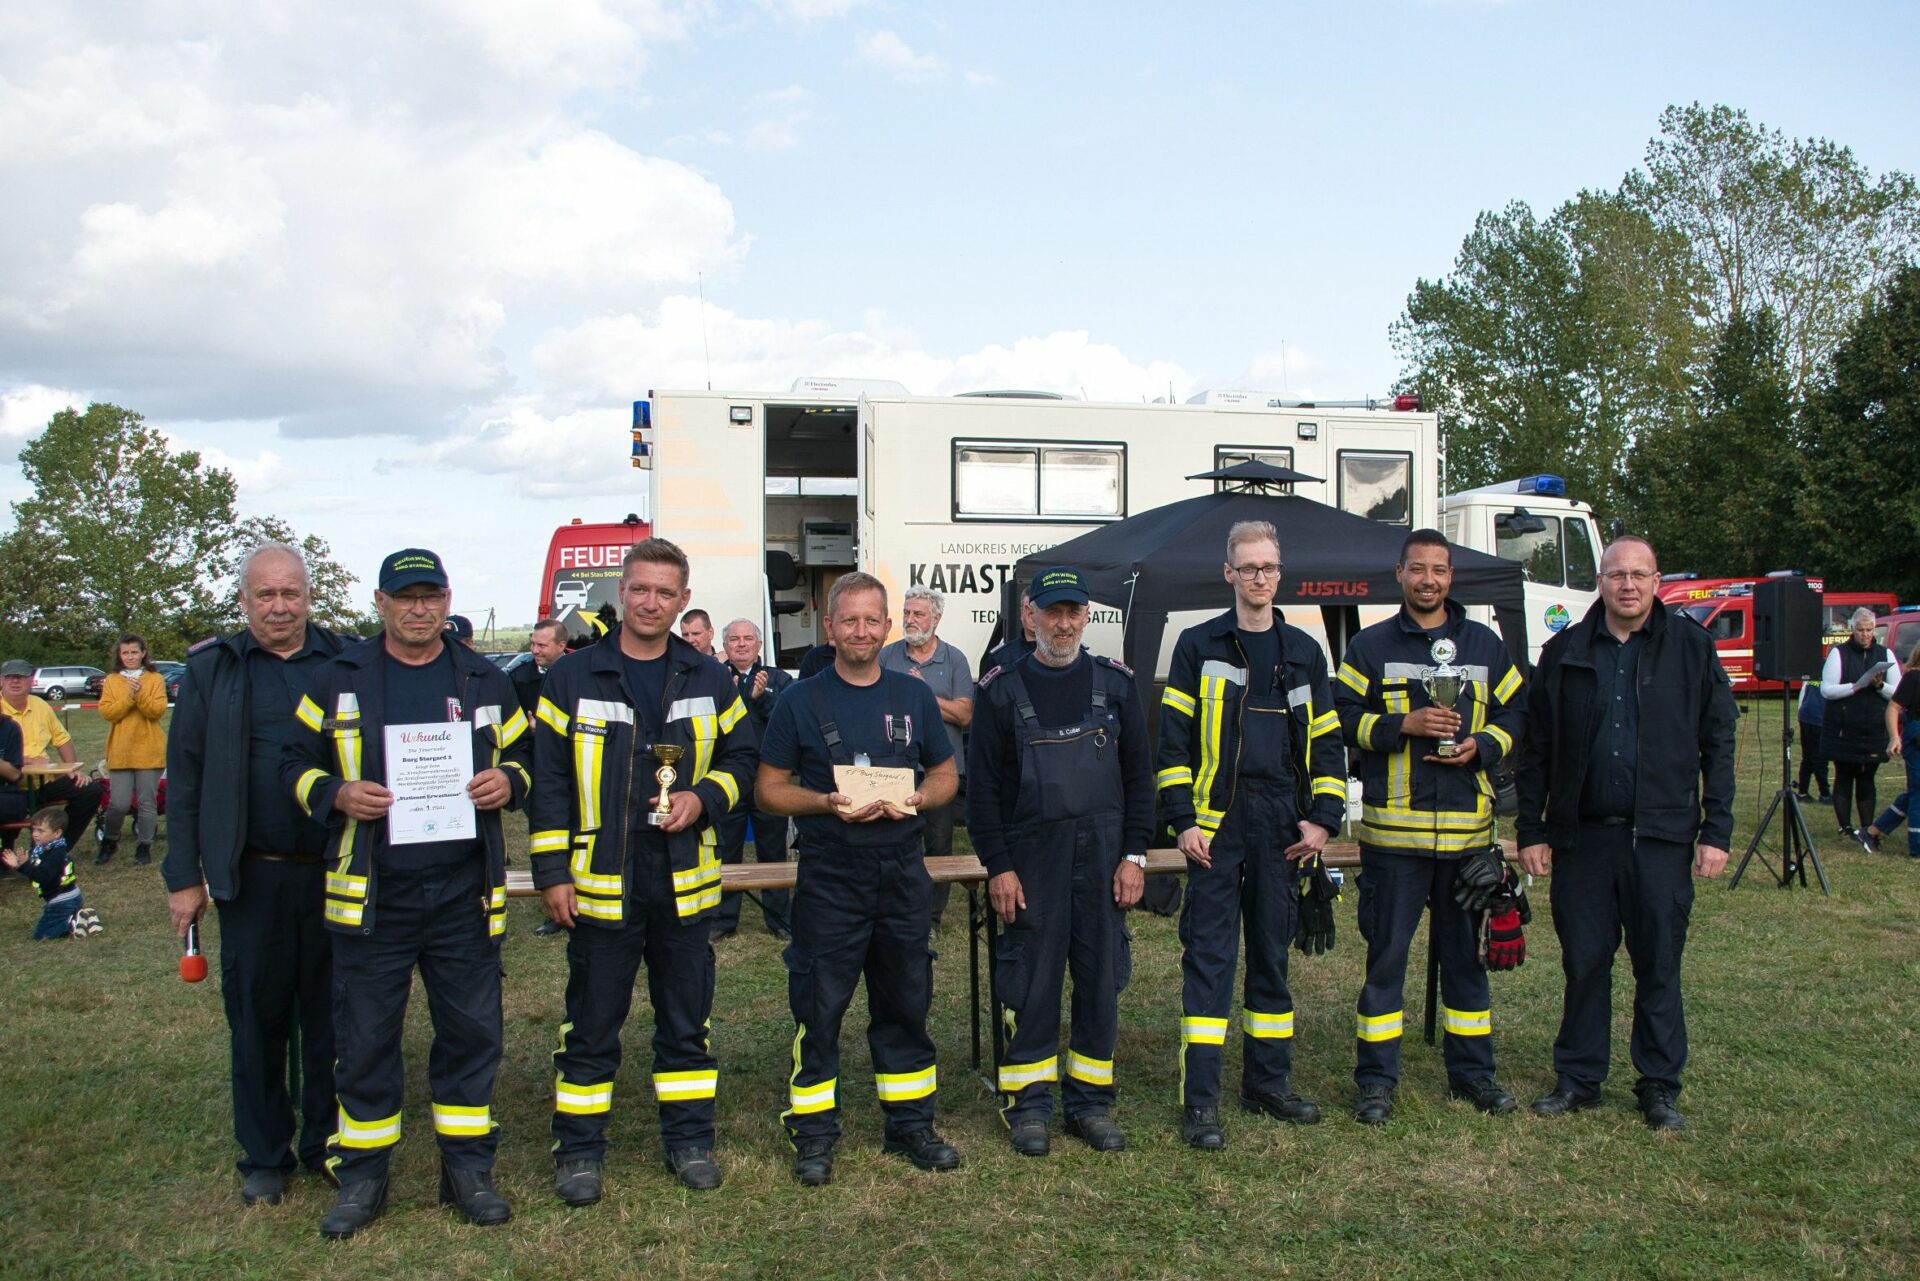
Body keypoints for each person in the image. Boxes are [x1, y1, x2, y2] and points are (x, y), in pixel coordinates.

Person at [285, 548, 532, 1238]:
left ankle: (467, 1171)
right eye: (405, 597)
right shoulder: (338, 678)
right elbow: (288, 765)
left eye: (430, 596)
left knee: (472, 1033)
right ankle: (362, 1176)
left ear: (448, 599)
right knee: (364, 1038)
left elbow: (527, 757)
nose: (418, 608)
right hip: (374, 891)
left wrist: (508, 781)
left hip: (463, 889)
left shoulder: (485, 679)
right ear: (380, 602)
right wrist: (335, 791)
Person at [530, 538, 757, 1202]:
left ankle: (689, 1140)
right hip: (602, 881)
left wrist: (703, 797)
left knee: (687, 1020)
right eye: (640, 589)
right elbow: (548, 784)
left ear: (683, 600)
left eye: (665, 592)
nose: (651, 602)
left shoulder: (709, 676)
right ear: (620, 592)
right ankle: (578, 1151)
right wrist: (551, 872)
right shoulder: (570, 677)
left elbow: (744, 759)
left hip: (685, 880)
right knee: (591, 1023)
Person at [1515, 535, 1737, 1132]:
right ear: (1601, 581)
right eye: (1617, 575)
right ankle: (1580, 1078)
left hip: (1660, 839)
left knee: (1658, 963)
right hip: (1583, 839)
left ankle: (1659, 1086)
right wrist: (1531, 829)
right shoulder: (1564, 652)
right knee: (1584, 963)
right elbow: (1536, 749)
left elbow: (1719, 742)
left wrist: (1717, 830)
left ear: (1657, 581)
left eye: (1639, 575)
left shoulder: (1690, 648)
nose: (1628, 585)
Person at [164, 541, 359, 1207]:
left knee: (333, 1018)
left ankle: (327, 1142)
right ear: (244, 600)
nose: (280, 606)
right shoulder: (213, 669)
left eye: (291, 593)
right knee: (256, 1019)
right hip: (250, 876)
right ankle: (265, 1154)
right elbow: (185, 779)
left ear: (310, 596)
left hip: (335, 870)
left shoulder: (346, 660)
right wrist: (182, 877)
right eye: (266, 595)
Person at [756, 571, 962, 1186]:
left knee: (906, 1000)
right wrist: (825, 803)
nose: (862, 631)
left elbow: (947, 773)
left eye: (873, 620)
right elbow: (768, 790)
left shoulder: (914, 695)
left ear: (888, 626)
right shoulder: (800, 699)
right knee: (819, 1004)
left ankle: (910, 1125)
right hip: (831, 872)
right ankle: (814, 1133)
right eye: (850, 620)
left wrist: (921, 800)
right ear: (830, 626)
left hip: (902, 868)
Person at [1155, 520, 1348, 1150]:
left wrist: (1322, 817)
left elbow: (1326, 741)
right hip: (1216, 826)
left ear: (1279, 573)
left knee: (1272, 957)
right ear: (1229, 574)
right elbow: (1173, 741)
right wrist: (1183, 820)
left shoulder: (1304, 651)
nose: (1260, 578)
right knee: (1209, 962)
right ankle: (1202, 1102)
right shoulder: (1198, 644)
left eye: (1269, 567)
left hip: (1282, 828)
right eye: (1249, 568)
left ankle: (1268, 1085)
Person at [1334, 530, 1528, 1124]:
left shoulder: (1486, 645)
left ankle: (1473, 1075)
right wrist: (1403, 724)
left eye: (1439, 570)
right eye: (1417, 569)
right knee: (1386, 963)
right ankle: (1376, 1082)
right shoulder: (1369, 647)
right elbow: (1338, 720)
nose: (1429, 580)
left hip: (1469, 838)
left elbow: (1519, 711)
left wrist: (1483, 744)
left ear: (1451, 576)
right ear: (1399, 574)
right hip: (1394, 842)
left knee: (1465, 963)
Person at [968, 566, 1150, 1154]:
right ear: (1029, 615)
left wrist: (1135, 857)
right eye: (1052, 612)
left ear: (1087, 616)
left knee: (1099, 982)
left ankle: (1090, 1104)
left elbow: (1140, 781)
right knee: (1033, 981)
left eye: (1073, 612)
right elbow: (983, 794)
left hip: (1103, 859)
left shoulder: (1117, 685)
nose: (1063, 623)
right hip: (1031, 860)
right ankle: (1028, 1105)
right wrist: (999, 865)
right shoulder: (999, 689)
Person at [879, 586, 974, 933]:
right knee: (894, 842)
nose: (910, 620)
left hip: (940, 771)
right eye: (907, 613)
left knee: (938, 845)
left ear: (936, 618)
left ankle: (930, 917)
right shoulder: (887, 657)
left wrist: (922, 695)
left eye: (918, 614)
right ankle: (897, 911)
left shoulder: (954, 659)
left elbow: (965, 714)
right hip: (894, 769)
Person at [712, 618, 794, 939]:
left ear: (759, 645)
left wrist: (761, 698)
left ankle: (777, 918)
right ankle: (723, 919)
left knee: (772, 849)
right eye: (734, 640)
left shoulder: (779, 679)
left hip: (767, 778)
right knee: (727, 849)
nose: (742, 644)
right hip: (728, 778)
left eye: (748, 639)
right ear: (726, 646)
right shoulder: (715, 680)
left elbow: (786, 724)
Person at [0, 658, 105, 857]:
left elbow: (62, 740)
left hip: (44, 781)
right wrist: (28, 761)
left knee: (90, 790)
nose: (15, 682)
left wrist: (72, 769)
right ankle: (7, 852)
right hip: (9, 784)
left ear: (31, 681)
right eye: (9, 677)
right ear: (1, 681)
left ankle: (53, 850)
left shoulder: (40, 705)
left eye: (21, 677)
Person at [1820, 608, 1897, 843]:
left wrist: (1879, 686)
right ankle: (1844, 826)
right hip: (1843, 726)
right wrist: (1854, 686)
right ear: (1852, 629)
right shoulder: (1839, 653)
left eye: (1869, 630)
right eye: (1861, 630)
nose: (1865, 635)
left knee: (1867, 776)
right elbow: (1827, 689)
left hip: (1873, 726)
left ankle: (1867, 827)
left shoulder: (1885, 654)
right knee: (1844, 775)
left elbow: (1899, 693)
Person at [97, 633, 168, 866]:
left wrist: (139, 695)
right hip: (120, 750)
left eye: (134, 652)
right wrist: (129, 697)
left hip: (148, 749)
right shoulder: (112, 680)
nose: (130, 657)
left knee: (147, 802)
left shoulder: (155, 678)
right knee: (118, 803)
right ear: (119, 655)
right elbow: (108, 713)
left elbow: (157, 711)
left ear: (143, 653)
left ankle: (144, 846)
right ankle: (110, 840)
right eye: (125, 652)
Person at [1856, 641, 1920, 858]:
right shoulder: (1914, 677)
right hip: (1916, 738)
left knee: (1914, 793)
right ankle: (1917, 847)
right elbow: (1894, 707)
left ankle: (1872, 832)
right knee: (1919, 793)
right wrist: (1895, 737)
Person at [4, 807, 101, 938]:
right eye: (34, 829)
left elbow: (42, 876)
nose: (35, 834)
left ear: (57, 833)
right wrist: (22, 864)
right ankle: (83, 918)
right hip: (66, 897)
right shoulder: (48, 849)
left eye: (41, 830)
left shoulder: (55, 854)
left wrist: (23, 866)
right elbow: (39, 870)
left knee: (41, 935)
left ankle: (73, 922)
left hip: (61, 900)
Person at [512, 619, 568, 719]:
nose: (534, 650)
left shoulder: (580, 675)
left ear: (561, 646)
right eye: (533, 644)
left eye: (541, 645)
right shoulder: (518, 678)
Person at [1794, 680, 1832, 804]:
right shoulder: (1831, 671)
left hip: (1806, 715)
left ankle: (1802, 792)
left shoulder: (1813, 669)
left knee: (1808, 757)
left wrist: (1799, 713)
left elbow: (1803, 691)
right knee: (1819, 758)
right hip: (1818, 718)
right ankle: (1825, 794)